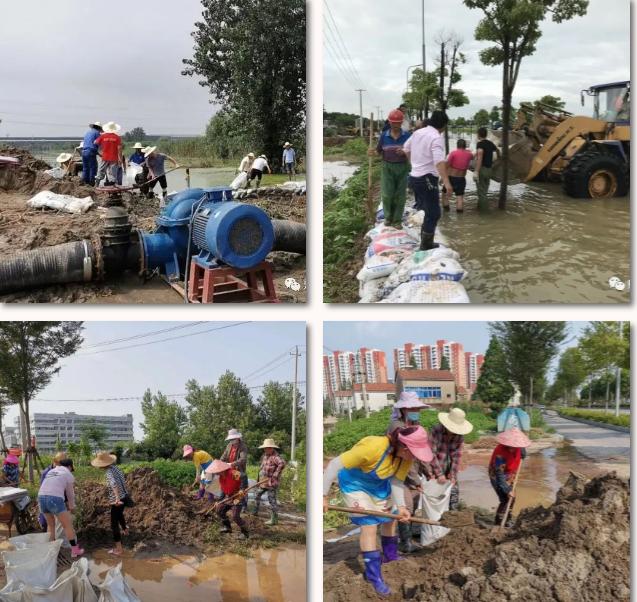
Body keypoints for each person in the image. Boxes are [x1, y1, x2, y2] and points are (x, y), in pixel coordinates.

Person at [323, 426, 433, 596]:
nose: (416, 457)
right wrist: (322, 495)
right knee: (370, 525)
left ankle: (390, 556)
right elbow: (334, 465)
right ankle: (374, 576)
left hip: (379, 485)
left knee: (391, 518)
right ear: (405, 447)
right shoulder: (373, 447)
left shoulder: (406, 458)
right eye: (415, 452)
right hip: (355, 486)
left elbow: (396, 482)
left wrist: (402, 507)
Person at [386, 391, 430, 553]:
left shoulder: (414, 425)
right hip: (399, 473)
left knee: (414, 502)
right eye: (413, 408)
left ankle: (408, 536)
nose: (416, 411)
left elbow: (419, 455)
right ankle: (405, 542)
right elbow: (406, 459)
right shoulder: (397, 427)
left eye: (417, 409)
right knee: (406, 506)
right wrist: (416, 481)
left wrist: (427, 472)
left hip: (411, 474)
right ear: (403, 409)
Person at [403, 110, 453, 251]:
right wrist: (447, 182)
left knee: (424, 208)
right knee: (434, 213)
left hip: (414, 177)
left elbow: (406, 149)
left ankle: (424, 238)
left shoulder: (418, 132)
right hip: (427, 179)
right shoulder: (436, 137)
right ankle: (426, 244)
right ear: (443, 126)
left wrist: (413, 165)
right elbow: (439, 161)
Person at [425, 408, 473, 511]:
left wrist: (453, 475)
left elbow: (456, 456)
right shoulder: (436, 430)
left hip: (448, 467)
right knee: (434, 496)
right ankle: (434, 519)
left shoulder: (459, 435)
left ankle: (452, 517)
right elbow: (431, 454)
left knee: (454, 493)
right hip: (433, 468)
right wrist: (439, 474)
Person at [370, 109, 411, 229]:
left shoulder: (408, 136)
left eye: (398, 123)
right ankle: (388, 217)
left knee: (400, 194)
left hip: (402, 167)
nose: (395, 125)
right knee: (387, 194)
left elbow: (413, 152)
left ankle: (397, 220)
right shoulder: (384, 136)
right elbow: (378, 151)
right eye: (393, 122)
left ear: (401, 122)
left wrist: (404, 152)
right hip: (387, 166)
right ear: (390, 122)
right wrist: (372, 152)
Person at [38, 456, 84, 557]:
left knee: (50, 526)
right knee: (67, 526)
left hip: (41, 498)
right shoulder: (68, 474)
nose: (72, 470)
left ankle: (51, 552)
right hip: (54, 499)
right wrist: (72, 507)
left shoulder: (51, 471)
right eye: (72, 468)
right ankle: (75, 551)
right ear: (69, 466)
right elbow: (70, 494)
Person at [91, 451, 130, 556]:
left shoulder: (108, 472)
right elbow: (121, 481)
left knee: (114, 525)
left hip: (118, 500)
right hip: (125, 497)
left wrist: (117, 498)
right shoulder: (116, 468)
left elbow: (113, 484)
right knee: (119, 515)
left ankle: (119, 549)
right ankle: (125, 530)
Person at [489, 428, 530, 527]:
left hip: (510, 474)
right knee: (505, 499)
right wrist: (507, 489)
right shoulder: (500, 453)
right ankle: (498, 523)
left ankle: (507, 519)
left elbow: (522, 452)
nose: (513, 448)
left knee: (512, 498)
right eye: (511, 446)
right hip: (498, 474)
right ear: (507, 443)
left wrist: (523, 454)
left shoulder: (518, 446)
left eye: (515, 446)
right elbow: (499, 474)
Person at [209, 459, 249, 539]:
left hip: (238, 496)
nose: (215, 473)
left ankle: (245, 533)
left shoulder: (231, 473)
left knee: (235, 516)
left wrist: (241, 489)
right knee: (219, 510)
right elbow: (223, 490)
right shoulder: (221, 478)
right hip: (229, 496)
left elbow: (244, 477)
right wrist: (219, 501)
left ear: (220, 470)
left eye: (216, 471)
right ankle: (228, 528)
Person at [252, 438, 286, 526]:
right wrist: (259, 479)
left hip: (271, 483)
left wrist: (275, 474)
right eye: (265, 448)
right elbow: (262, 467)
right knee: (257, 494)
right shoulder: (265, 456)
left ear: (271, 448)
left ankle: (274, 519)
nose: (265, 449)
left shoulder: (276, 457)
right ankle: (255, 511)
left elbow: (282, 464)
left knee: (272, 500)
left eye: (267, 448)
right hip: (263, 482)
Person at [442, 139, 474, 212]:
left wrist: (442, 177)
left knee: (445, 195)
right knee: (459, 198)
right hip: (461, 179)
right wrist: (468, 151)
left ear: (457, 145)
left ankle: (446, 212)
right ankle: (460, 217)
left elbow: (447, 165)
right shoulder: (469, 155)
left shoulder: (453, 153)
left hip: (451, 178)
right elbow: (473, 156)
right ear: (465, 146)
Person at [38, 452, 67, 531]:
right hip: (48, 499)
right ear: (55, 462)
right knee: (50, 524)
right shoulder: (46, 472)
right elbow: (42, 488)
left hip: (57, 499)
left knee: (56, 525)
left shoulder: (62, 471)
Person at [473, 127, 500, 212]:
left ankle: (484, 213)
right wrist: (499, 158)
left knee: (481, 193)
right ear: (486, 134)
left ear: (478, 134)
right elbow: (498, 150)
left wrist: (476, 171)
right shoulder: (490, 143)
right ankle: (479, 208)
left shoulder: (480, 144)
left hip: (482, 169)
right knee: (484, 191)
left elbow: (480, 156)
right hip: (489, 170)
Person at [220, 429, 249, 507]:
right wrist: (220, 463)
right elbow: (224, 456)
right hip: (230, 470)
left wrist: (232, 464)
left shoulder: (242, 446)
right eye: (230, 439)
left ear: (237, 438)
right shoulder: (229, 445)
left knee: (240, 488)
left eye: (233, 439)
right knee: (232, 486)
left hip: (237, 470)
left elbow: (243, 459)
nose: (231, 441)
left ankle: (243, 505)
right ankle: (230, 502)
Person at [94, 121, 123, 187]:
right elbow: (119, 149)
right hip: (114, 158)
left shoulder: (103, 136)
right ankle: (112, 187)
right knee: (112, 173)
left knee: (101, 170)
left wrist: (101, 149)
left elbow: (95, 142)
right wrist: (120, 159)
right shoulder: (117, 137)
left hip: (105, 157)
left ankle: (96, 184)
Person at [81, 120, 102, 185]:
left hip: (84, 151)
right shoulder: (97, 133)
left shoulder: (87, 132)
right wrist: (101, 153)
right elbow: (99, 144)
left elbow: (89, 144)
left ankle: (84, 182)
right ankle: (91, 183)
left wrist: (98, 153)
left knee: (85, 167)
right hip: (91, 152)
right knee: (93, 167)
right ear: (99, 128)